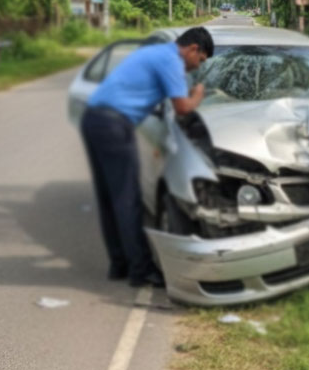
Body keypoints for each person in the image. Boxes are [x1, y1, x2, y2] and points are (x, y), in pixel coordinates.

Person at [80, 27, 214, 287]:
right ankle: (141, 270)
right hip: (113, 125)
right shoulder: (172, 61)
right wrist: (198, 94)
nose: (197, 67)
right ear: (193, 49)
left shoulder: (157, 51)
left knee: (109, 198)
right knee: (128, 200)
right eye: (201, 60)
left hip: (95, 118)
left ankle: (119, 264)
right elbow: (183, 108)